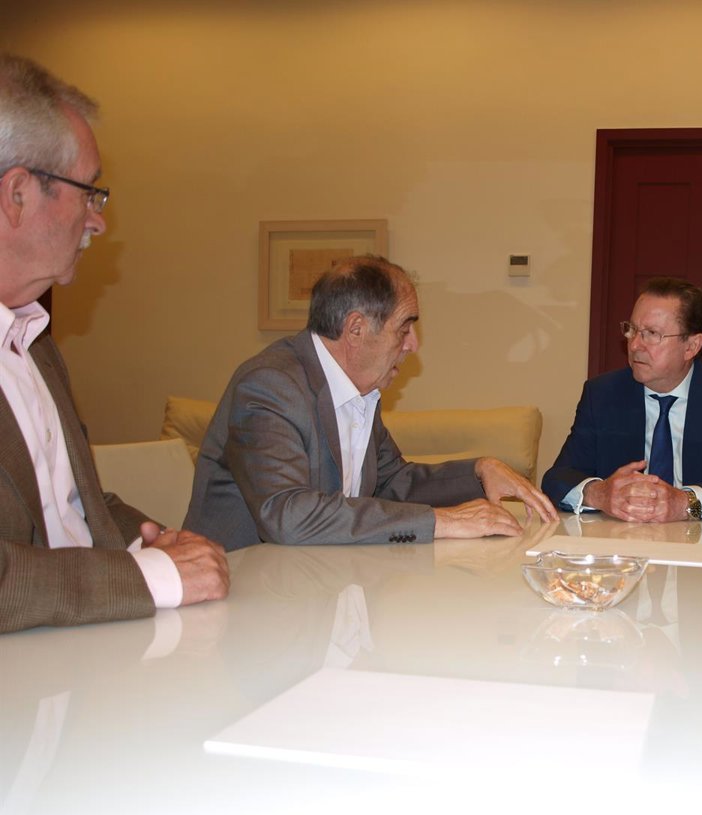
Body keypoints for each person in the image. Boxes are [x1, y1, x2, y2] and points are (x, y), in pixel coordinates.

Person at [0, 54, 229, 632]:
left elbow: (74, 504)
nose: (98, 221)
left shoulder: (35, 344)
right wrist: (152, 576)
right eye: (88, 192)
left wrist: (157, 542)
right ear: (17, 194)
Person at [184, 255, 558, 551]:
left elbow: (393, 481)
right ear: (356, 329)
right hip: (241, 590)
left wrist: (480, 470)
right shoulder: (270, 386)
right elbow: (287, 515)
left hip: (316, 581)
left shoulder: (360, 390)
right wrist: (442, 522)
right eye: (404, 328)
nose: (413, 344)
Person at [542, 276, 702, 522]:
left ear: (691, 346)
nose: (634, 345)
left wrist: (685, 503)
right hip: (621, 537)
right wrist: (599, 494)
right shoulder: (603, 393)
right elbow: (557, 478)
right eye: (632, 330)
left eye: (652, 334)